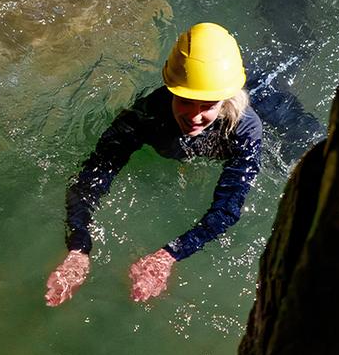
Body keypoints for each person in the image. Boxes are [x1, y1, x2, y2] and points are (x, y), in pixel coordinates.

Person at [45, 23, 263, 306]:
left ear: (224, 100)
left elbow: (228, 208)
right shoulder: (145, 115)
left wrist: (169, 255)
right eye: (186, 101)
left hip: (273, 105)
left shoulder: (245, 129)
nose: (195, 117)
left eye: (207, 105)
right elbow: (91, 178)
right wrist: (78, 247)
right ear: (172, 88)